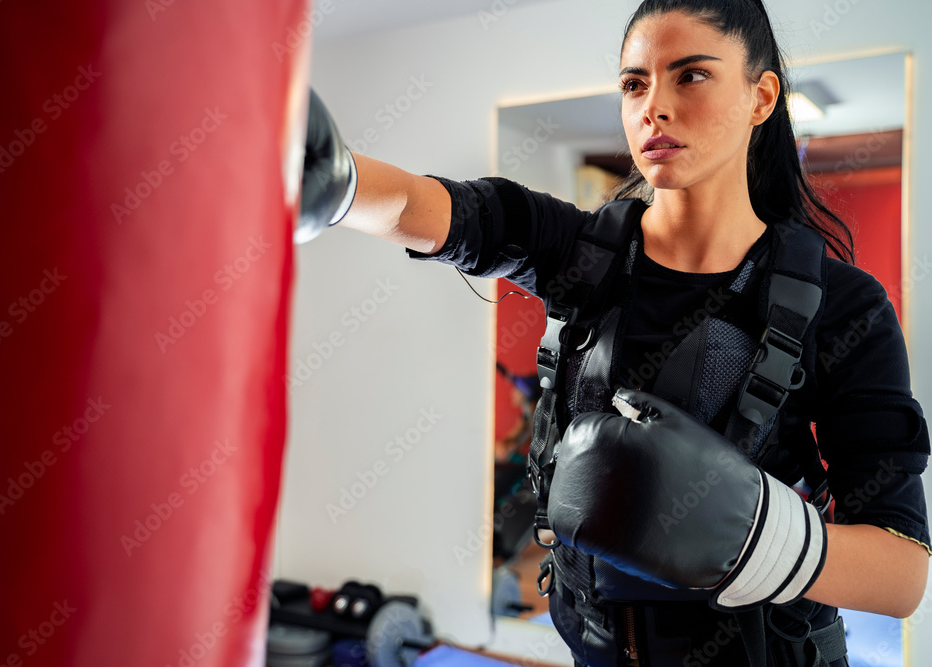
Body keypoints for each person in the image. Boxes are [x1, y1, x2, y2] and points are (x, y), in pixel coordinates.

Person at [298, 0, 930, 665]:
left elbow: (902, 573)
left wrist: (752, 532)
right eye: (635, 83)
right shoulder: (583, 255)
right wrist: (338, 184)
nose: (652, 106)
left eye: (690, 76)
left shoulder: (842, 306)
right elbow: (452, 213)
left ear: (761, 96)